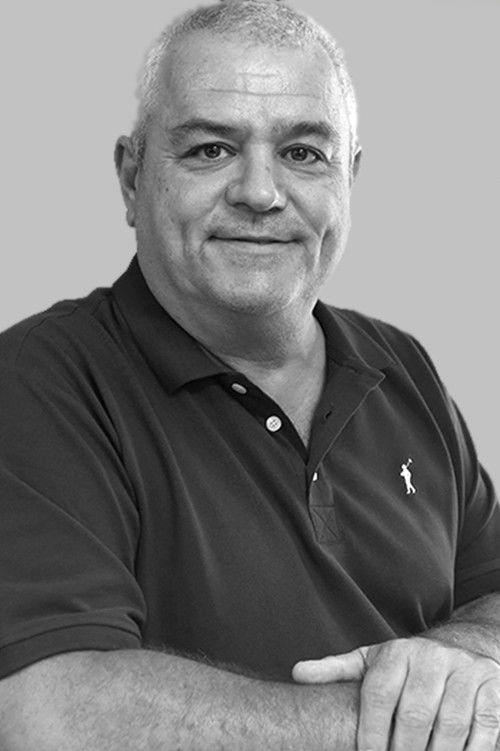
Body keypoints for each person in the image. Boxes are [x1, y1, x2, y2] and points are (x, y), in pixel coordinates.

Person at [0, 0, 499, 748]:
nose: (260, 192)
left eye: (303, 153)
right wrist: (411, 724)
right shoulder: (39, 384)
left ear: (349, 178)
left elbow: (491, 592)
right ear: (132, 178)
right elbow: (49, 718)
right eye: (211, 149)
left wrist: (462, 657)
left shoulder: (403, 366)